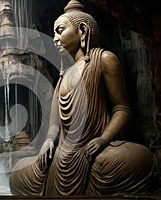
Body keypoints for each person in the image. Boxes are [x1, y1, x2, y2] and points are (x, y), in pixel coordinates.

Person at [9, 0, 157, 196]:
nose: (54, 38)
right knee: (17, 172)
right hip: (62, 155)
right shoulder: (63, 76)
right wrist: (48, 141)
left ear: (83, 31)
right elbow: (54, 125)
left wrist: (103, 140)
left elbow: (122, 109)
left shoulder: (104, 60)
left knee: (140, 159)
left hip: (94, 153)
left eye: (60, 31)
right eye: (53, 33)